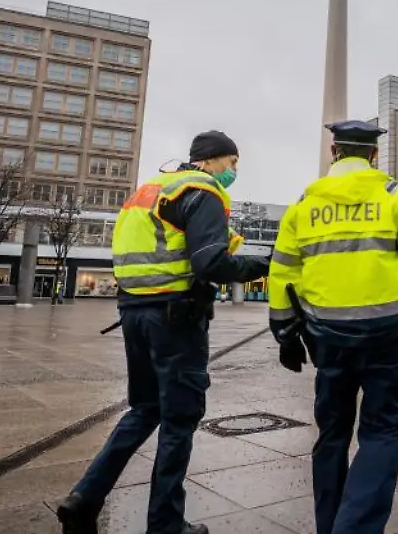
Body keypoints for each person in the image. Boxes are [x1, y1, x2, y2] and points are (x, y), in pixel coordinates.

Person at [57, 130, 270, 534]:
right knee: (179, 418)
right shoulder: (204, 190)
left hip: (134, 312)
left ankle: (84, 499)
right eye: (232, 162)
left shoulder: (152, 189)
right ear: (211, 159)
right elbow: (211, 264)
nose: (234, 170)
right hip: (175, 318)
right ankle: (166, 525)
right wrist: (266, 263)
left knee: (144, 409)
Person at [267, 120, 398, 534]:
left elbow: (283, 271)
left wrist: (284, 332)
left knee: (333, 434)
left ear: (334, 152)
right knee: (386, 428)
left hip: (326, 340)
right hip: (383, 340)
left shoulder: (305, 202)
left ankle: (330, 524)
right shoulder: (395, 196)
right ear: (374, 155)